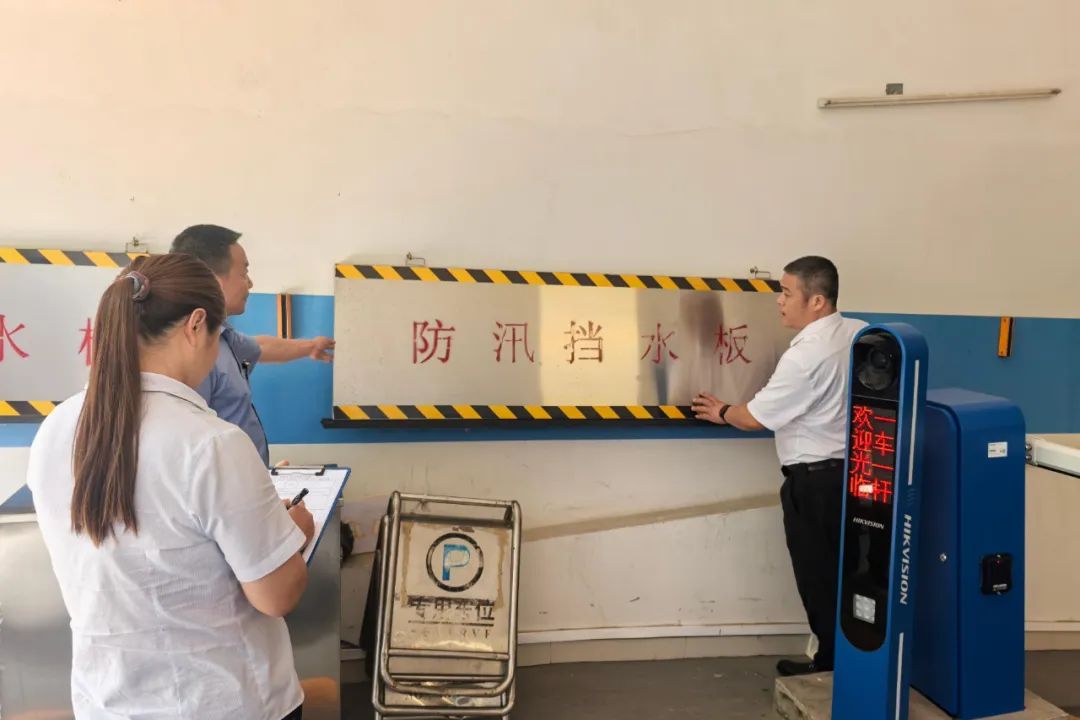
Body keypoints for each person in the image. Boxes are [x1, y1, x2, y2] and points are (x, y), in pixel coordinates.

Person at [28, 254, 316, 719]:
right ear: (196, 325)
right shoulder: (212, 443)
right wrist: (294, 533)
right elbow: (277, 595)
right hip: (221, 703)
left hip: (108, 703)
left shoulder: (56, 429)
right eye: (217, 337)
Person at [691, 256, 866, 677]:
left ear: (817, 300)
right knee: (850, 572)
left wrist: (723, 411)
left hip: (815, 483)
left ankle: (830, 666)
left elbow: (755, 417)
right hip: (854, 476)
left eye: (787, 293)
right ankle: (856, 659)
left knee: (818, 575)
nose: (779, 301)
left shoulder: (805, 357)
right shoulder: (860, 333)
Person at [170, 224, 335, 466]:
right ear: (213, 280)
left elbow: (260, 347)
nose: (250, 283)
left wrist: (311, 346)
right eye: (243, 273)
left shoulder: (221, 336)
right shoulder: (190, 351)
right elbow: (189, 450)